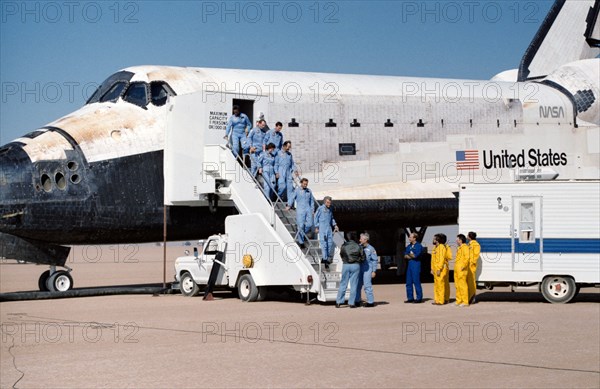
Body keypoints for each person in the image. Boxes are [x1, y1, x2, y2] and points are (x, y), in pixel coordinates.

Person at [335, 233, 364, 308]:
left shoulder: (344, 246)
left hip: (346, 265)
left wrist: (345, 260)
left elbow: (341, 254)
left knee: (343, 283)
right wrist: (358, 261)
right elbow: (363, 257)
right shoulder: (359, 246)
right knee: (354, 284)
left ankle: (339, 302)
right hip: (355, 265)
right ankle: (351, 303)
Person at [286, 178, 314, 247]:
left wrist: (312, 210)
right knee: (300, 226)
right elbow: (292, 197)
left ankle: (301, 233)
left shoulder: (309, 191)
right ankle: (301, 242)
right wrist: (289, 205)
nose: (305, 185)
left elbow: (312, 201)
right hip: (300, 209)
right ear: (301, 183)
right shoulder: (297, 191)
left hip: (308, 209)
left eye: (306, 184)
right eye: (304, 184)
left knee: (309, 224)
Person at [314, 196, 339, 270]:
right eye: (328, 202)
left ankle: (325, 258)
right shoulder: (320, 209)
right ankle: (325, 260)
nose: (329, 204)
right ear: (325, 202)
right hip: (322, 228)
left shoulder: (330, 209)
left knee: (330, 244)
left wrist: (335, 225)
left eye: (330, 202)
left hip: (329, 228)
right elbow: (316, 217)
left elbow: (331, 218)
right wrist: (316, 226)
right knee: (324, 244)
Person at [354, 232, 378, 307]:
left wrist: (374, 271)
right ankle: (357, 301)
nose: (360, 240)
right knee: (358, 285)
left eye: (361, 239)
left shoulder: (371, 249)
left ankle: (370, 302)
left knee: (367, 285)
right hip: (359, 268)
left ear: (365, 240)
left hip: (367, 268)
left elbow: (374, 260)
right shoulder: (358, 247)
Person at [404, 232, 423, 303]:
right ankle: (410, 298)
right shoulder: (408, 246)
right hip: (409, 266)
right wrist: (410, 255)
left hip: (416, 265)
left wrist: (409, 255)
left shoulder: (418, 246)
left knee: (416, 281)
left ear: (414, 238)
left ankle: (419, 298)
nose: (409, 238)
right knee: (408, 282)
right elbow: (405, 256)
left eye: (410, 237)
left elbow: (416, 256)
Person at [430, 234, 450, 305]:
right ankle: (437, 299)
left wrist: (439, 269)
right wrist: (432, 268)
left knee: (440, 285)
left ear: (438, 239)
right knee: (436, 285)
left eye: (434, 238)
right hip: (435, 268)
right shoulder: (435, 247)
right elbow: (433, 259)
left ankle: (441, 300)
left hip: (440, 269)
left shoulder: (441, 247)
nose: (433, 239)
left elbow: (441, 259)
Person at [454, 234, 470, 307]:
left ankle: (465, 301)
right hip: (457, 269)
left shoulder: (465, 247)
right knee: (457, 285)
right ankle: (459, 300)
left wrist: (463, 266)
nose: (456, 240)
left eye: (457, 239)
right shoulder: (459, 248)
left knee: (463, 285)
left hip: (462, 270)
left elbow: (467, 258)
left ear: (460, 240)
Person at [467, 231, 481, 304]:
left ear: (469, 236)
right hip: (468, 265)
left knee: (472, 282)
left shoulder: (475, 244)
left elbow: (476, 255)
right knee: (469, 282)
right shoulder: (470, 244)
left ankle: (472, 298)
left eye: (467, 235)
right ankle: (469, 297)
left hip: (471, 266)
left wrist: (472, 262)